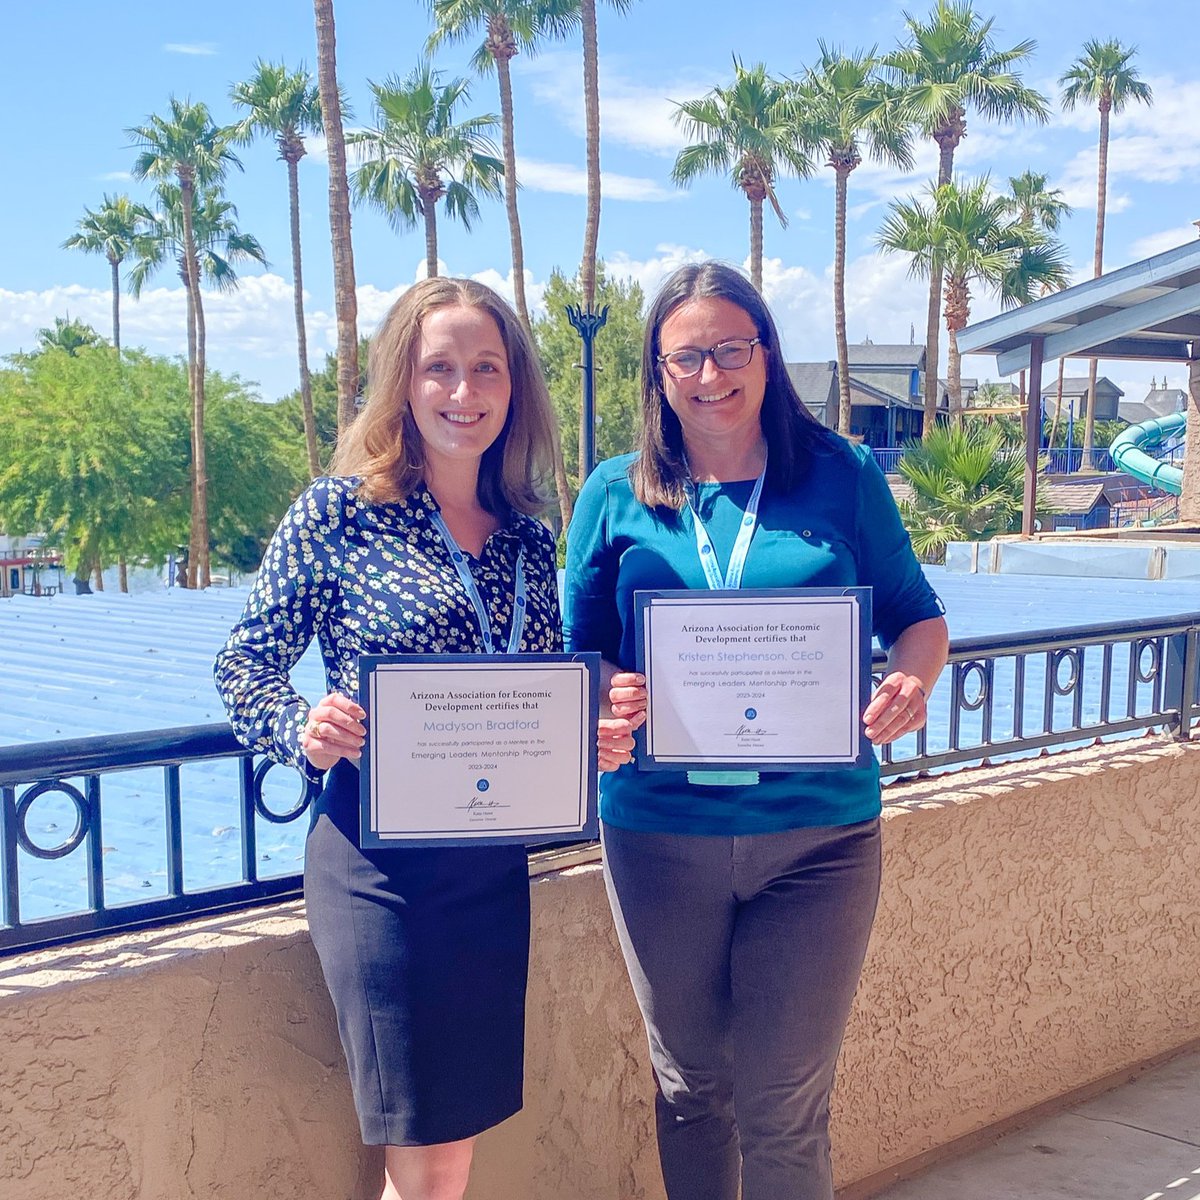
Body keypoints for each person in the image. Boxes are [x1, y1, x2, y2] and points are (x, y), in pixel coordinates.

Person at [215, 277, 628, 1200]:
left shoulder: (527, 532)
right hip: (379, 866)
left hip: (489, 870)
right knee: (428, 1146)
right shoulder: (336, 512)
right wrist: (303, 728)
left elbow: (533, 682)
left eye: (486, 368)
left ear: (514, 386)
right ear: (402, 382)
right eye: (438, 368)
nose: (463, 390)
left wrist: (581, 741)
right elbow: (243, 665)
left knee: (455, 1137)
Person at [564, 261, 949, 1200]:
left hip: (818, 840)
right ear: (657, 372)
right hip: (659, 837)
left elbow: (917, 613)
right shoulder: (615, 493)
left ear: (766, 355)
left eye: (731, 349)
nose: (711, 375)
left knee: (786, 1106)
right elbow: (578, 653)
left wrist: (911, 677)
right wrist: (609, 691)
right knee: (692, 1089)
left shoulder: (842, 476)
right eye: (686, 356)